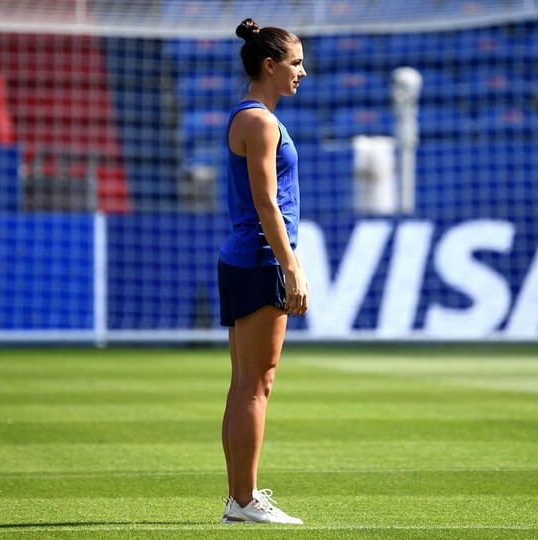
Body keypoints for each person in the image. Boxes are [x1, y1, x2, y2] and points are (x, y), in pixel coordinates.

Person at [217, 17, 308, 525]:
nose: (302, 71)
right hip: (260, 258)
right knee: (257, 385)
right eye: (295, 62)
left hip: (243, 256)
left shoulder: (253, 117)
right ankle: (246, 501)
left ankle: (240, 498)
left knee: (244, 384)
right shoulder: (260, 122)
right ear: (269, 65)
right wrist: (291, 267)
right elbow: (266, 203)